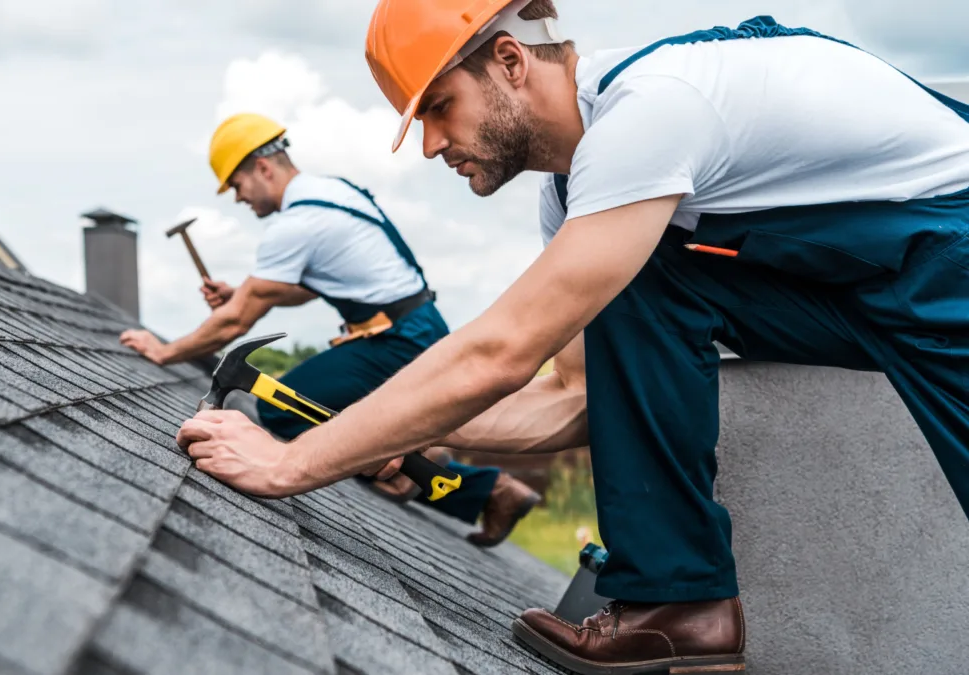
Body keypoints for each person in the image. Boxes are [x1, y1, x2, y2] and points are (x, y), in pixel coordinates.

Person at [174, 1, 969, 672]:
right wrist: (375, 433)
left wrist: (291, 461)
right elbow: (574, 398)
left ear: (511, 61)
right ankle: (679, 601)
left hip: (950, 250)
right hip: (860, 282)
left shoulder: (652, 111)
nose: (429, 145)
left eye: (439, 107)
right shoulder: (579, 197)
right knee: (645, 276)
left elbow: (502, 350)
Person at [120, 112, 540, 547]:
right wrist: (241, 293)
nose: (239, 199)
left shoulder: (297, 222)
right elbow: (303, 289)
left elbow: (236, 321)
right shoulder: (331, 193)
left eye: (238, 186)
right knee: (339, 417)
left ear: (263, 168)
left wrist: (165, 351)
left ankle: (448, 476)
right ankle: (438, 470)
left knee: (282, 409)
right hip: (412, 328)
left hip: (395, 340)